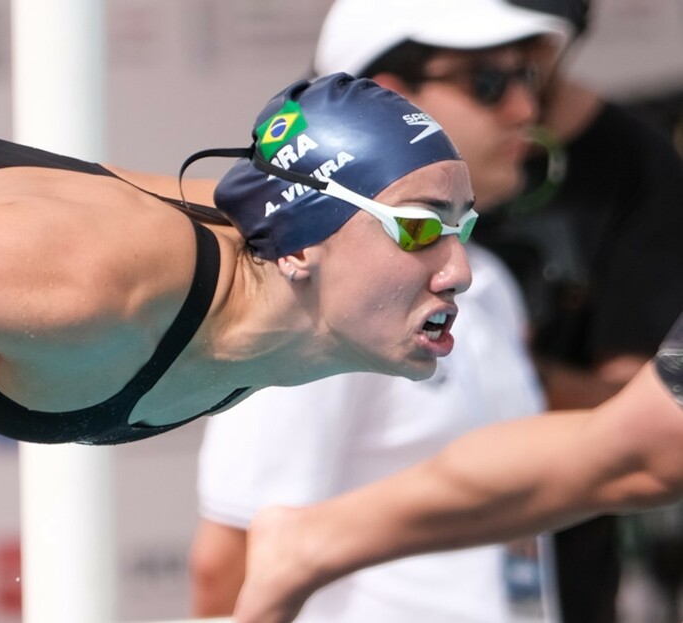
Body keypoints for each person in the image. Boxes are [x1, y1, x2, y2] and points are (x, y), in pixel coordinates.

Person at [0, 73, 476, 446]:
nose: (459, 270)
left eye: (462, 228)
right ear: (302, 249)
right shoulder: (90, 285)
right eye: (418, 228)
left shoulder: (277, 300)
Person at [189, 0, 570, 620]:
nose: (525, 109)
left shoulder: (488, 284)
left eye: (529, 80)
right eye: (490, 83)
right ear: (395, 102)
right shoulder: (328, 308)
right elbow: (228, 567)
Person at [230, 327, 683, 623]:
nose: (454, 271)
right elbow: (642, 446)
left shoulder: (493, 287)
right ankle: (314, 540)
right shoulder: (327, 328)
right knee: (646, 455)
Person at [474, 0, 683, 619]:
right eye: (481, 75)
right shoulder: (360, 189)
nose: (516, 98)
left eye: (526, 59)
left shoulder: (636, 164)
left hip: (559, 553)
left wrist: (503, 366)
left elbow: (642, 406)